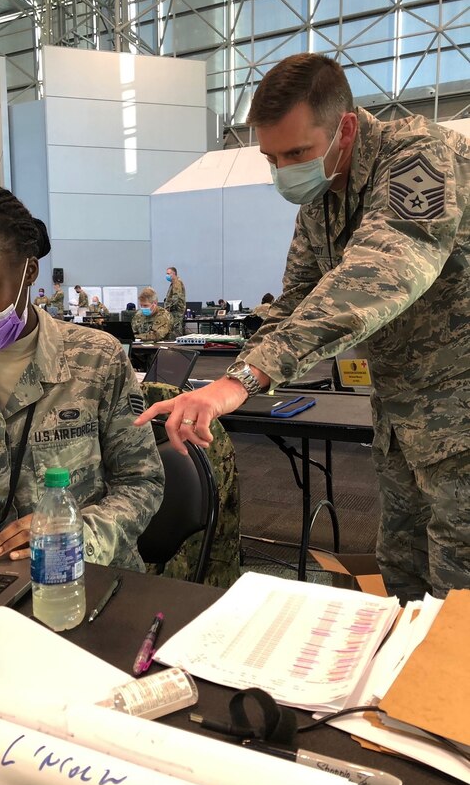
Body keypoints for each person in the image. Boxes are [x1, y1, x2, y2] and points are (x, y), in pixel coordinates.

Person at [136, 51, 470, 603]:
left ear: (343, 127)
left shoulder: (420, 155)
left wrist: (242, 379)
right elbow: (294, 304)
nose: (283, 171)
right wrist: (213, 391)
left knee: (459, 607)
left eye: (296, 153)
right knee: (406, 585)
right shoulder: (320, 202)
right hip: (404, 424)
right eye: (271, 158)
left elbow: (382, 269)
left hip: (460, 420)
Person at [0, 183, 164, 573]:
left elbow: (141, 482)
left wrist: (74, 534)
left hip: (84, 576)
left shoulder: (97, 360)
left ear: (29, 271)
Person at [163, 267, 186, 337]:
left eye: (168, 273)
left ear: (173, 274)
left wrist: (168, 308)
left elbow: (176, 297)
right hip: (174, 310)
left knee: (176, 330)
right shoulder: (174, 283)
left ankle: (176, 344)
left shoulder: (176, 282)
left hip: (176, 310)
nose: (166, 275)